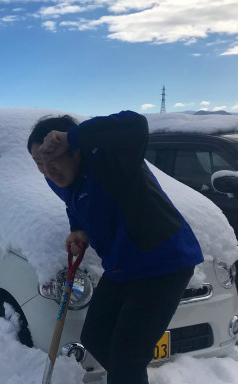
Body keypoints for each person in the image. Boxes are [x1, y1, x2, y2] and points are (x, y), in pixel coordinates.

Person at [27, 111, 203, 384]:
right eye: (39, 163)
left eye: (52, 160)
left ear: (75, 151)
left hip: (163, 262)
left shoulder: (112, 159)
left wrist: (72, 135)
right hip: (122, 266)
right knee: (95, 337)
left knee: (127, 356)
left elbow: (135, 126)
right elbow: (71, 200)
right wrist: (77, 228)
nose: (47, 171)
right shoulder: (56, 179)